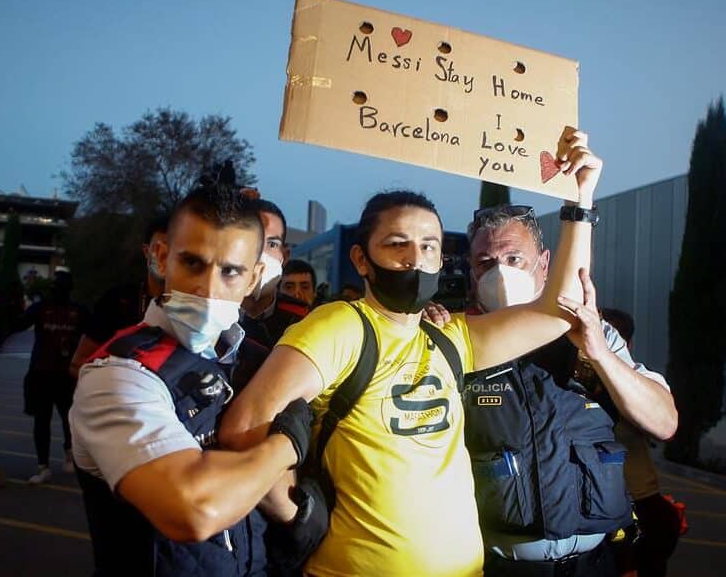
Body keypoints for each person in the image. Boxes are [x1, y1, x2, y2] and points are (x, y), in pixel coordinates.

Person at [219, 127, 601, 576]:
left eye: (429, 247)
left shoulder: (452, 338)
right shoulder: (341, 326)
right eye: (397, 244)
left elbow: (561, 310)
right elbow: (243, 429)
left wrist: (581, 199)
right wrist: (293, 511)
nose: (414, 259)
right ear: (362, 260)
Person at [69, 183, 314, 576]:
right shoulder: (119, 374)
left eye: (230, 271)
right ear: (162, 258)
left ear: (252, 280)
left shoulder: (254, 360)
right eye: (193, 263)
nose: (208, 288)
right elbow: (194, 513)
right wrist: (287, 444)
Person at [452, 203, 677, 576]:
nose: (500, 273)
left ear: (544, 263)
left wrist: (600, 354)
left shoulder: (594, 334)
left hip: (595, 563)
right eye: (485, 262)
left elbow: (664, 422)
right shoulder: (458, 341)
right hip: (499, 566)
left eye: (513, 258)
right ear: (471, 271)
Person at [601, 308, 682, 577]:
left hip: (640, 507)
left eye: (611, 337)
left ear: (626, 345)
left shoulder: (642, 383)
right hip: (599, 511)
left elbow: (663, 424)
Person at [11, 267, 89, 484]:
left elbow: (94, 336)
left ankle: (68, 454)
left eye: (60, 286)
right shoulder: (40, 308)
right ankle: (44, 466)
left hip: (66, 376)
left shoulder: (79, 312)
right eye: (55, 286)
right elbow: (17, 324)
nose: (57, 290)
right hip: (42, 374)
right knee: (43, 421)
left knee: (69, 419)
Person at [68, 214, 168, 378]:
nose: (164, 257)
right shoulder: (117, 301)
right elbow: (78, 363)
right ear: (146, 251)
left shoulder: (193, 307)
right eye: (159, 248)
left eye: (173, 250)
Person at [240, 199, 309, 348]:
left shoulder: (303, 320)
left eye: (272, 245)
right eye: (251, 241)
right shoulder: (213, 312)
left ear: (285, 256)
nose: (260, 255)